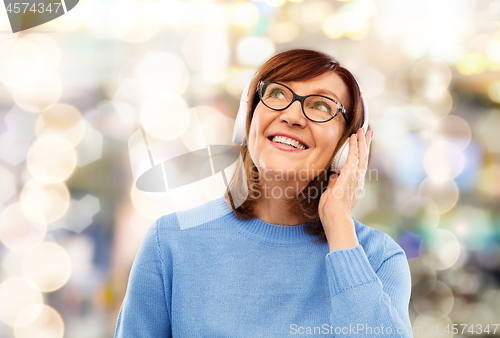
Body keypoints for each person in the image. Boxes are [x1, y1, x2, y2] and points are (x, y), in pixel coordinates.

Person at [114, 49, 413, 337]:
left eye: (321, 105)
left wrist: (339, 226)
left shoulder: (378, 258)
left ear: (346, 147)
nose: (293, 116)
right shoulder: (169, 242)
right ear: (248, 119)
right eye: (277, 94)